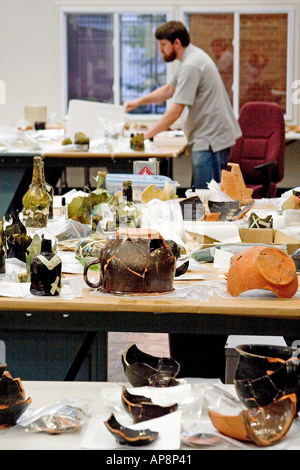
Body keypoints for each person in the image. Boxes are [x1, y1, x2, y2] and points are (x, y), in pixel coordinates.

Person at [123, 20, 242, 189]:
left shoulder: (191, 65)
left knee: (206, 198)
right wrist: (138, 102)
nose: (160, 49)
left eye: (163, 44)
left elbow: (175, 112)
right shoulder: (189, 58)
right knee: (204, 196)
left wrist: (145, 136)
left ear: (176, 43)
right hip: (209, 137)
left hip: (210, 140)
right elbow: (169, 90)